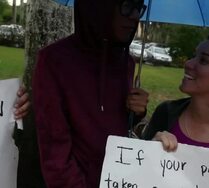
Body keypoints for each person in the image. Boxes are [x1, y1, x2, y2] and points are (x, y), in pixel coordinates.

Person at [32, 0, 148, 187]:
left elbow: (113, 124)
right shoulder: (54, 61)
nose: (134, 17)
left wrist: (136, 111)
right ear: (99, 7)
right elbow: (55, 149)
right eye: (127, 6)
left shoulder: (127, 63)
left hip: (117, 179)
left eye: (139, 8)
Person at [143, 33, 209, 154]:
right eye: (194, 56)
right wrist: (150, 150)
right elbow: (138, 167)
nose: (188, 63)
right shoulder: (165, 113)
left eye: (203, 60)